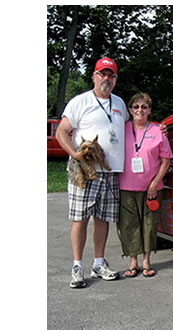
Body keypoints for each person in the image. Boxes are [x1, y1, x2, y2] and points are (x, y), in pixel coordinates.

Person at [56, 57, 127, 288]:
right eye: (102, 74)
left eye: (111, 75)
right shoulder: (80, 102)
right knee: (80, 218)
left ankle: (99, 263)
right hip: (85, 172)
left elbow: (131, 127)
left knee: (103, 219)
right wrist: (74, 154)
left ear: (115, 79)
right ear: (94, 76)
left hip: (110, 172)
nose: (106, 78)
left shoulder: (119, 103)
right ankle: (77, 266)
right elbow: (61, 132)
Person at [117, 93, 173, 278]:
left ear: (149, 110)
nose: (139, 110)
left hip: (151, 188)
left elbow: (166, 160)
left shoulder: (158, 130)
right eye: (136, 107)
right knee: (129, 224)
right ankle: (133, 262)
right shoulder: (121, 128)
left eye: (144, 106)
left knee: (149, 224)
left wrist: (154, 183)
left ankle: (146, 261)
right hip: (126, 186)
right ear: (130, 110)